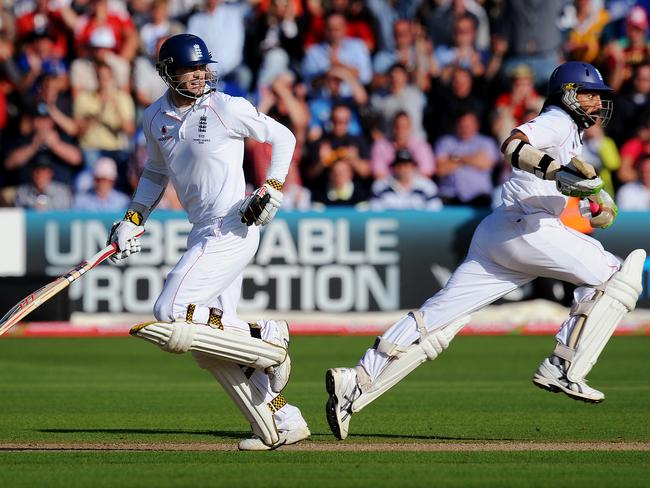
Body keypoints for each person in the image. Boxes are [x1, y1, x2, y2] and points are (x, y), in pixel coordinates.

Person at [324, 61, 646, 440]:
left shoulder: (570, 133)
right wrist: (558, 174)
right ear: (569, 93)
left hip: (501, 231)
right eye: (591, 94)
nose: (597, 102)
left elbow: (581, 189)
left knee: (439, 319)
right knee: (618, 274)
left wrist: (598, 198)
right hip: (529, 227)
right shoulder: (557, 119)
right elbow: (513, 144)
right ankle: (565, 365)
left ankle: (357, 382)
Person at [105, 33, 310, 451]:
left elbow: (283, 137)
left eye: (203, 67)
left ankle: (266, 333)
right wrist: (131, 218)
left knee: (171, 308)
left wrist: (271, 186)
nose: (200, 75)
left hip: (233, 225)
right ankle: (283, 419)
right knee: (211, 348)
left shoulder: (225, 107)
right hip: (202, 229)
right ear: (167, 73)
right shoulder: (154, 118)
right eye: (189, 68)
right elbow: (155, 175)